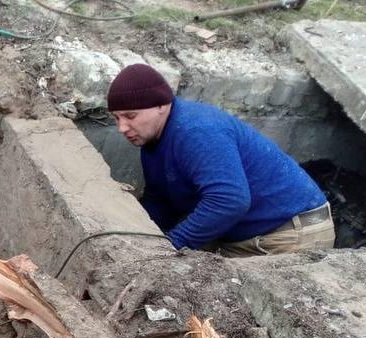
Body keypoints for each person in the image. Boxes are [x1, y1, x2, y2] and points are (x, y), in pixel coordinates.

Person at [106, 63, 335, 256]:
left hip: (290, 235)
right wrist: (134, 235)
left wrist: (169, 246)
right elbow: (161, 202)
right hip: (249, 232)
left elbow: (229, 200)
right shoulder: (153, 140)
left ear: (160, 105)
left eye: (130, 116)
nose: (122, 128)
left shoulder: (195, 131)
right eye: (117, 118)